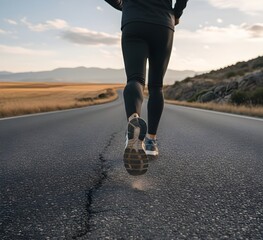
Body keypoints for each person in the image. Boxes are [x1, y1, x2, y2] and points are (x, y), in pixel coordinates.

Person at [105, 0, 188, 175]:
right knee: (156, 86)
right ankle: (150, 141)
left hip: (133, 21)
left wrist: (124, 5)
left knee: (135, 79)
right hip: (163, 22)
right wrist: (177, 13)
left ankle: (133, 126)